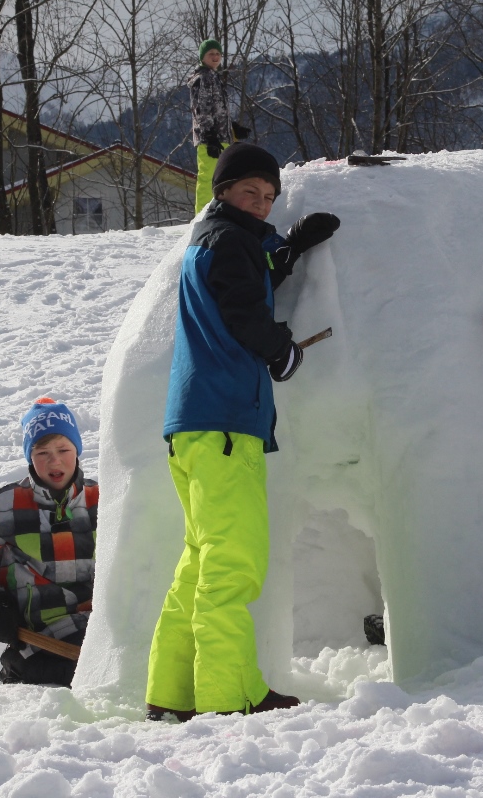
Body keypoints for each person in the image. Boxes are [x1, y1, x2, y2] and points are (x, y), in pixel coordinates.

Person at [146, 142, 341, 722]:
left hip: (194, 427)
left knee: (199, 564)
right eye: (249, 193)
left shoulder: (215, 241)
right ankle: (228, 698)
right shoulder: (229, 243)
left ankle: (172, 693)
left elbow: (246, 275)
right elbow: (243, 309)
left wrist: (291, 247)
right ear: (223, 192)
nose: (261, 204)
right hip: (226, 423)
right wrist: (279, 349)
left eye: (269, 197)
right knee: (234, 565)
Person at [0, 397, 98, 686]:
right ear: (29, 456)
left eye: (63, 449)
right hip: (39, 639)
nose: (54, 460)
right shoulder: (3, 507)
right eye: (42, 452)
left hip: (98, 634)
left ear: (78, 451)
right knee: (50, 679)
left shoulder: (104, 501)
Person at [189, 39, 251, 214]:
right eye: (211, 54)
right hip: (210, 140)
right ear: (203, 57)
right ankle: (202, 217)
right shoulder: (202, 78)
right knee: (208, 177)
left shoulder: (213, 77)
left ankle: (218, 212)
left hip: (222, 138)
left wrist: (232, 127)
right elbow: (201, 110)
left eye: (218, 54)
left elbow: (217, 110)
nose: (215, 57)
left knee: (223, 178)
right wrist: (209, 136)